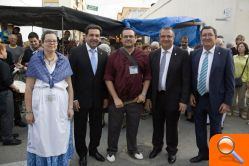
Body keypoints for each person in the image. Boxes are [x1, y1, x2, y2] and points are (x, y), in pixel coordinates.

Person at [25, 30, 74, 165]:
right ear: (42, 42)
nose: (52, 43)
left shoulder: (64, 60)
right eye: (48, 40)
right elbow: (28, 88)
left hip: (60, 105)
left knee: (59, 136)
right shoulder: (35, 60)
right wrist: (28, 111)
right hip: (40, 106)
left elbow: (69, 86)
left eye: (54, 40)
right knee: (40, 138)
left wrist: (70, 107)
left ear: (57, 43)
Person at [104, 27, 151, 162]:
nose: (129, 39)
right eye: (126, 36)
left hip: (135, 100)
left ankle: (133, 149)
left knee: (133, 127)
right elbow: (108, 78)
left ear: (135, 38)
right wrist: (115, 97)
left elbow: (147, 76)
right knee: (114, 127)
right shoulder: (113, 56)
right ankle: (111, 150)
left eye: (131, 36)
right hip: (117, 100)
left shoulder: (143, 55)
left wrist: (143, 94)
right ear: (121, 38)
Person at [189, 26, 234, 163]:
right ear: (201, 37)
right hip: (199, 98)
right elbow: (192, 76)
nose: (207, 37)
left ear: (215, 37)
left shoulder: (225, 53)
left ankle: (215, 156)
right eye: (204, 35)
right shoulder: (195, 54)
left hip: (217, 100)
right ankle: (203, 153)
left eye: (210, 35)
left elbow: (229, 80)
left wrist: (227, 102)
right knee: (199, 128)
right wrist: (191, 93)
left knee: (215, 130)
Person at [146, 27, 190, 164]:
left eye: (169, 37)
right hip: (156, 97)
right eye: (163, 36)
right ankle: (157, 147)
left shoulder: (182, 54)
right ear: (159, 38)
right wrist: (148, 97)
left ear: (173, 38)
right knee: (157, 125)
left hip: (174, 98)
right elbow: (149, 78)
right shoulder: (153, 54)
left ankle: (172, 150)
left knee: (172, 126)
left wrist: (184, 100)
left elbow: (186, 79)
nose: (166, 39)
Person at [69, 24, 108, 166]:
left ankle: (93, 149)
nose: (94, 38)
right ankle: (82, 153)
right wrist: (73, 98)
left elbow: (105, 78)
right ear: (85, 36)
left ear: (100, 38)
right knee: (80, 128)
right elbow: (70, 77)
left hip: (98, 99)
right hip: (80, 99)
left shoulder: (104, 54)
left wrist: (105, 97)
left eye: (97, 36)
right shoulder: (75, 52)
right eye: (91, 35)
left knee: (97, 127)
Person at [0, 43, 21, 146]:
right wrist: (16, 88)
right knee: (7, 116)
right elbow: (7, 81)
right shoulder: (3, 64)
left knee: (2, 116)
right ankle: (8, 138)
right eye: (4, 51)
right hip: (4, 93)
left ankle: (3, 134)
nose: (6, 53)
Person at [232, 42, 249, 119]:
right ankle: (232, 109)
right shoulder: (234, 57)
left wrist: (248, 81)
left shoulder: (247, 58)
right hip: (233, 80)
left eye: (242, 46)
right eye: (239, 46)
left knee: (241, 97)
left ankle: (241, 111)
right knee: (233, 96)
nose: (240, 48)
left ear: (245, 48)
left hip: (243, 81)